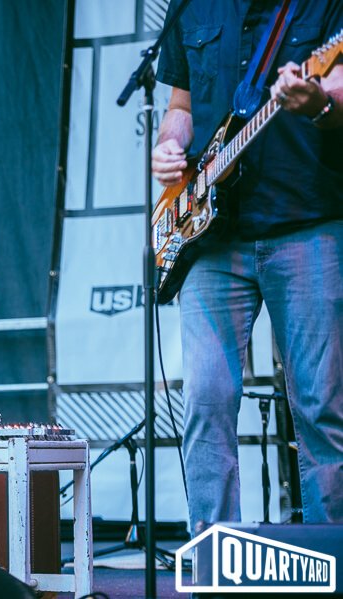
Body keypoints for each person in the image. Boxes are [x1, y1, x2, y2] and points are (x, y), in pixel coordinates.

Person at [153, 1, 342, 533]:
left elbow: (340, 89)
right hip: (211, 235)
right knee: (205, 402)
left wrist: (318, 101)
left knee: (321, 407)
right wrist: (169, 144)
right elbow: (181, 104)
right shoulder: (190, 5)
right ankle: (213, 561)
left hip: (306, 221)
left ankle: (334, 558)